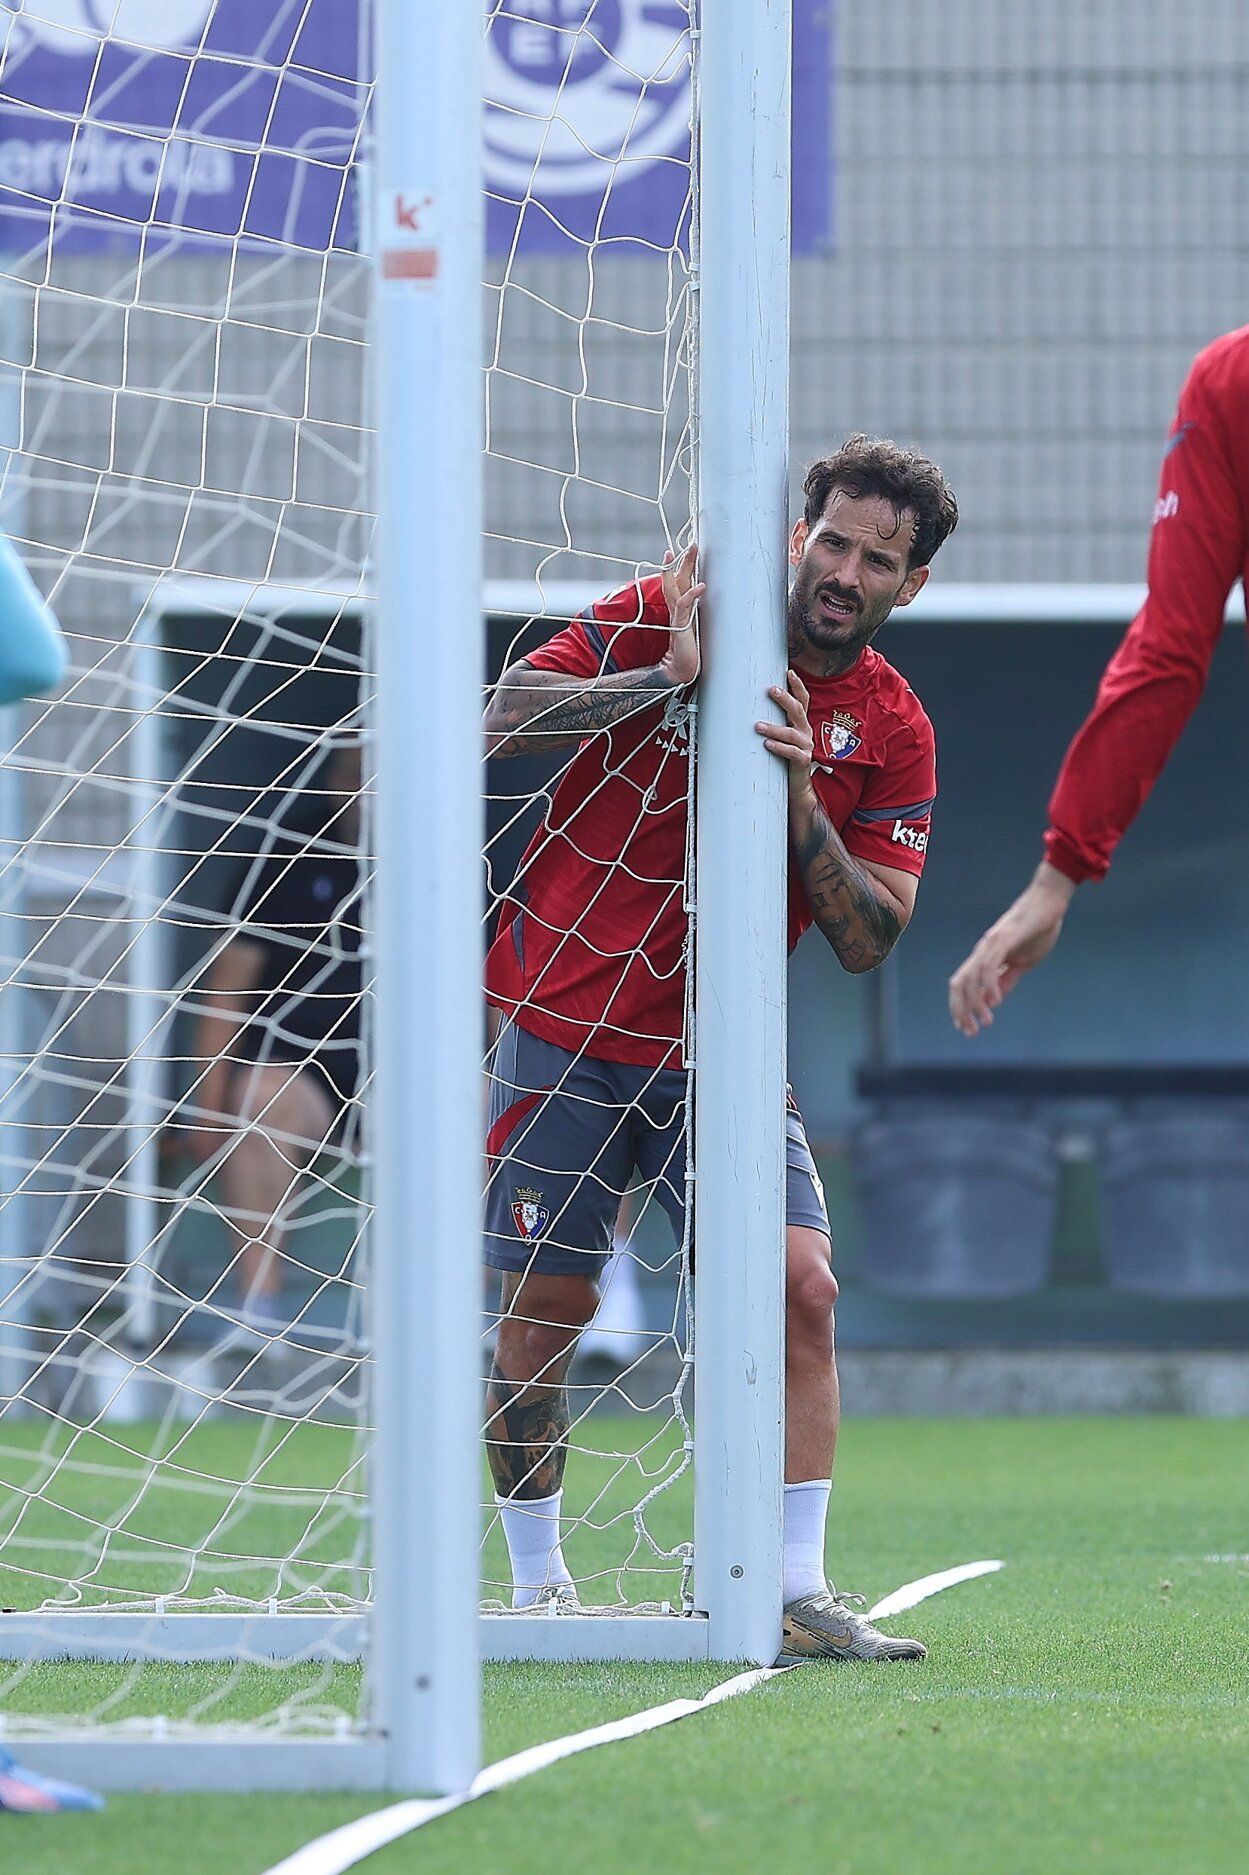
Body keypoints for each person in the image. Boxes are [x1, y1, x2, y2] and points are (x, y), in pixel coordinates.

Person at [483, 435, 959, 1660]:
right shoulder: (672, 608)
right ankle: (537, 1591)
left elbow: (869, 939)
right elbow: (502, 717)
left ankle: (796, 1590)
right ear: (800, 535)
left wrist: (798, 800)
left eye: (878, 560)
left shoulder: (894, 729)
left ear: (911, 585)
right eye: (833, 541)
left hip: (722, 1051)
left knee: (804, 1289)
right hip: (560, 1025)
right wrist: (663, 679)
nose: (845, 572)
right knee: (548, 1307)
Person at [950, 326, 1249, 1036]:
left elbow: (1169, 649)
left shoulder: (1229, 378)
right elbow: (1169, 651)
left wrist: (1058, 876)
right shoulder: (1229, 382)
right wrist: (1062, 868)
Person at [187, 743, 364, 1334]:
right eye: (352, 773)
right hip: (309, 1074)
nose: (364, 789)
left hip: (418, 1078)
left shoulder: (459, 858)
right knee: (259, 1099)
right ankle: (258, 1316)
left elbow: (499, 992)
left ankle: (486, 1312)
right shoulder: (285, 856)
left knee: (488, 1101)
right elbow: (225, 991)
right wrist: (207, 1108)